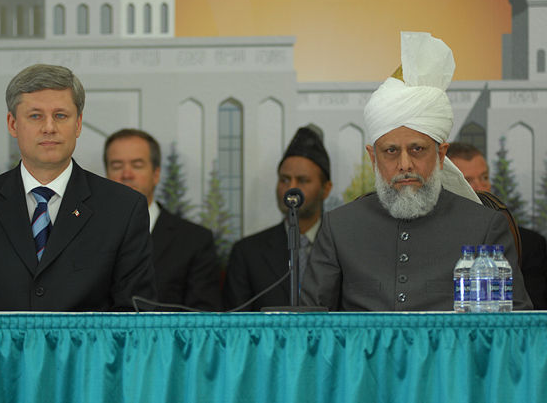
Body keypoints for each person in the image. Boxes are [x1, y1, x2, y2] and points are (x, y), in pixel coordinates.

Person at [301, 31, 533, 311]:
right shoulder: (339, 227)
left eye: (417, 149)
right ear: (373, 157)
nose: (405, 164)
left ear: (441, 154)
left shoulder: (484, 227)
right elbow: (310, 326)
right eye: (390, 151)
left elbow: (513, 330)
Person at [0, 64, 156, 311]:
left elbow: (135, 317)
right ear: (12, 124)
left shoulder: (123, 208)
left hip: (88, 350)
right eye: (35, 116)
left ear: (78, 124)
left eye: (60, 115)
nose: (49, 127)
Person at [104, 129, 222, 310]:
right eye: (117, 166)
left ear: (156, 174)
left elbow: (203, 316)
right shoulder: (86, 234)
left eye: (137, 165)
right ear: (107, 174)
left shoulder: (195, 240)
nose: (126, 175)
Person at [223, 124, 332, 311]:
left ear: (326, 189)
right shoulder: (248, 254)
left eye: (303, 180)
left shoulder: (342, 250)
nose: (291, 188)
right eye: (285, 180)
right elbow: (236, 329)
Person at [447, 142, 547, 309]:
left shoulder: (529, 244)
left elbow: (533, 314)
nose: (481, 186)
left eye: (484, 177)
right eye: (468, 180)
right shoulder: (436, 239)